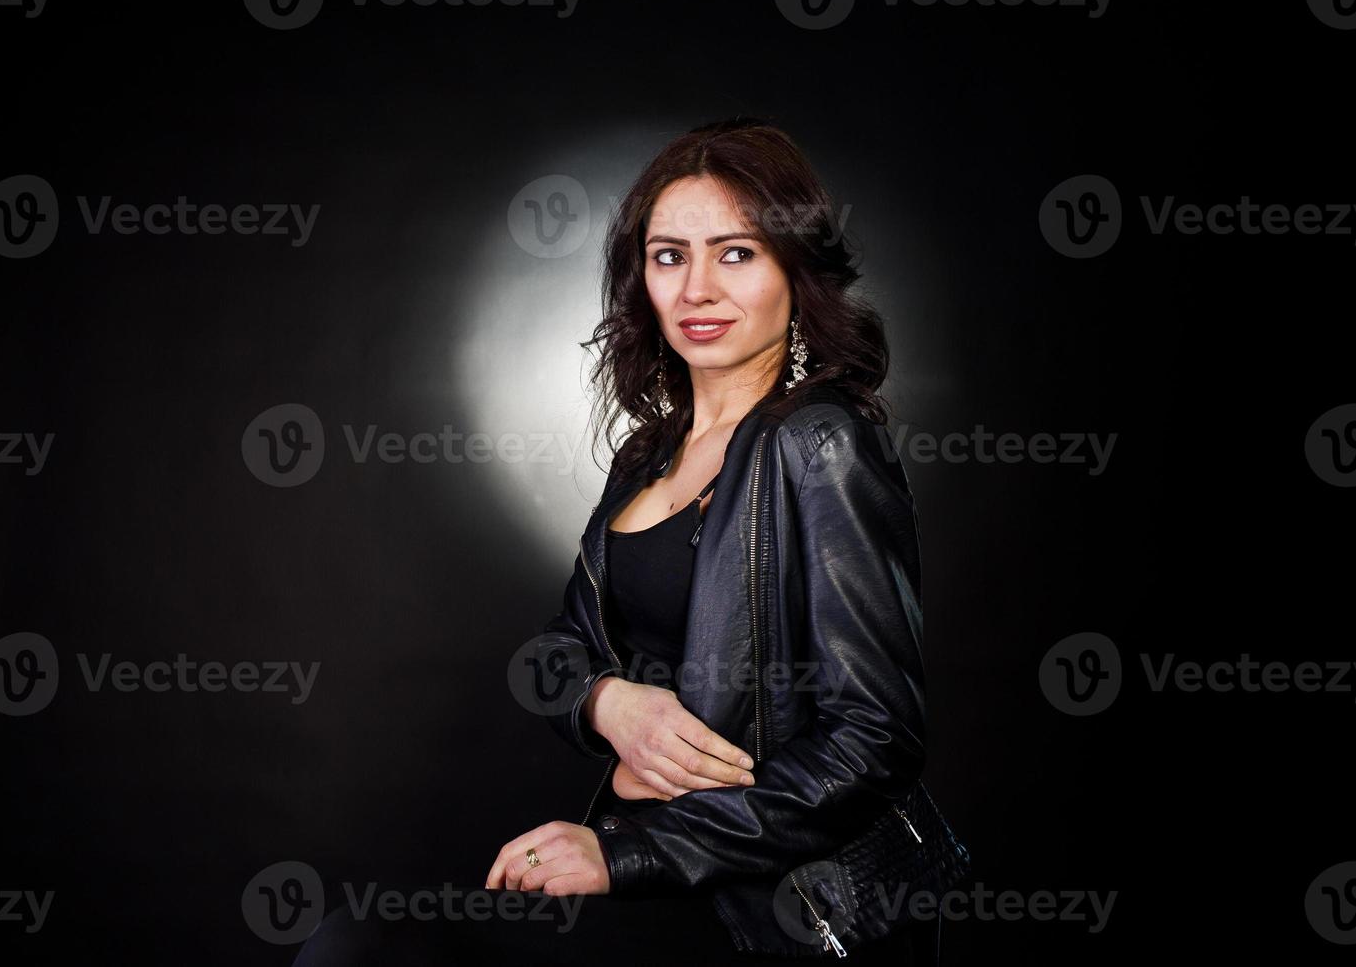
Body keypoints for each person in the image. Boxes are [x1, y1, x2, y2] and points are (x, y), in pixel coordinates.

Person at [295, 118, 952, 966]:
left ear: (797, 269)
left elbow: (875, 740)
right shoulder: (649, 453)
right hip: (637, 853)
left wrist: (626, 853)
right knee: (353, 941)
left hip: (759, 901)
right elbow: (562, 649)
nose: (696, 289)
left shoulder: (822, 445)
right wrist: (610, 704)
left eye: (737, 253)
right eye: (669, 255)